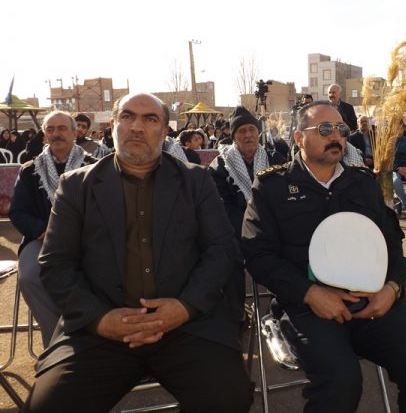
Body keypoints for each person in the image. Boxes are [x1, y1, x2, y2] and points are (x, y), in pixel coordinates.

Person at [23, 93, 252, 413]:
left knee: (228, 399)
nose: (137, 127)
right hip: (99, 331)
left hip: (187, 327)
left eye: (150, 119)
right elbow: (56, 264)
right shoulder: (75, 186)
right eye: (127, 117)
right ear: (113, 126)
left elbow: (222, 250)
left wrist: (184, 307)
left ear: (165, 131)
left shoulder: (195, 180)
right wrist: (100, 320)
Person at [242, 100, 406, 413]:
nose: (336, 136)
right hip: (308, 309)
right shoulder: (272, 187)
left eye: (341, 129)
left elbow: (392, 244)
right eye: (325, 129)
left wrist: (392, 288)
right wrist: (310, 294)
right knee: (342, 380)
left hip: (372, 302)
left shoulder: (362, 183)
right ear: (299, 138)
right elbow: (258, 255)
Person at [8, 112, 96, 346]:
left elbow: (105, 209)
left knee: (104, 271)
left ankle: (93, 338)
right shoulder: (30, 170)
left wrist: (76, 230)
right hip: (41, 239)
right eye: (50, 129)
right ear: (45, 135)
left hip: (85, 239)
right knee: (30, 275)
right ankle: (58, 342)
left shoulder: (93, 167)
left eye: (62, 128)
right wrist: (43, 229)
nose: (56, 134)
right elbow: (18, 212)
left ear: (75, 132)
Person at [209, 106, 285, 238]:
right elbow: (222, 207)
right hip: (237, 235)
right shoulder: (220, 166)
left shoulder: (275, 160)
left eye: (252, 129)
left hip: (274, 230)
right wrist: (252, 228)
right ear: (233, 137)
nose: (248, 135)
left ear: (258, 133)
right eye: (242, 131)